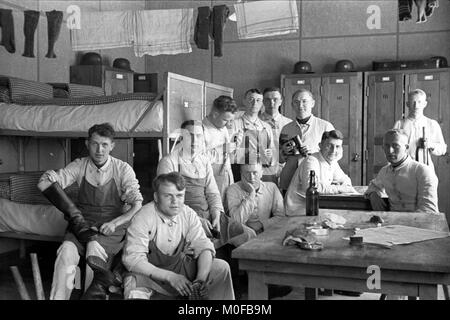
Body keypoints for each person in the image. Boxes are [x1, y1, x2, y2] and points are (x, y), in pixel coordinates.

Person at [37, 123, 143, 300]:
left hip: (109, 229)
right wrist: (49, 178)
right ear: (87, 144)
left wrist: (115, 223)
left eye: (104, 145)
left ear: (112, 146)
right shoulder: (79, 165)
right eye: (94, 144)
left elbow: (137, 203)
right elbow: (48, 182)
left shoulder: (122, 169)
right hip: (81, 226)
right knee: (66, 251)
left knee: (93, 257)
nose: (99, 150)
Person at [122, 172, 234, 300]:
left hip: (178, 271)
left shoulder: (188, 213)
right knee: (133, 289)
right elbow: (133, 260)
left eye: (179, 196)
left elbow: (204, 247)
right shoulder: (143, 217)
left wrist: (200, 280)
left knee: (220, 268)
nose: (175, 202)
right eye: (168, 196)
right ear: (156, 197)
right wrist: (170, 277)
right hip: (149, 275)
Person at [157, 120, 224, 240]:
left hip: (209, 217)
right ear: (182, 138)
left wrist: (216, 216)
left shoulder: (204, 161)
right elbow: (167, 202)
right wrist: (196, 220)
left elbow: (212, 193)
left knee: (246, 234)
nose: (195, 141)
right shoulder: (169, 162)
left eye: (198, 136)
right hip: (183, 219)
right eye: (189, 136)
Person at [365, 129, 439, 213]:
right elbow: (373, 186)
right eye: (386, 146)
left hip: (417, 223)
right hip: (392, 222)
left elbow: (428, 210)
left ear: (406, 148)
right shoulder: (384, 171)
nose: (390, 151)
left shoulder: (422, 171)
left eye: (395, 146)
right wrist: (373, 195)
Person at [285, 130, 356, 216]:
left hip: (316, 207)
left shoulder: (332, 161)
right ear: (320, 145)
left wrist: (343, 186)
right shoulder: (311, 160)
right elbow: (310, 188)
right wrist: (341, 188)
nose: (333, 151)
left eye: (337, 146)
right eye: (330, 146)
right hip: (299, 210)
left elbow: (345, 180)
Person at [279, 89, 334, 194]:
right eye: (296, 102)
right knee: (289, 209)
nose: (300, 105)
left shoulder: (325, 126)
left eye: (304, 101)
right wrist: (284, 152)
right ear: (292, 105)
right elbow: (280, 160)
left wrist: (314, 152)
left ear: (312, 103)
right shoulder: (286, 128)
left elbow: (333, 156)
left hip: (315, 179)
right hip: (290, 180)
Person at [225, 161, 285, 247]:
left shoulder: (272, 187)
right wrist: (251, 194)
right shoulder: (233, 189)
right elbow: (236, 221)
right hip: (242, 239)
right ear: (241, 173)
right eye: (247, 173)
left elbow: (282, 216)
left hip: (266, 234)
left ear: (261, 173)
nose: (251, 177)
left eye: (255, 173)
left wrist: (262, 224)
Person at [393, 89, 447, 170]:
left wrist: (430, 144)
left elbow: (443, 149)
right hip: (404, 169)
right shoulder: (399, 124)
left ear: (425, 104)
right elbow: (391, 148)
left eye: (419, 102)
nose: (416, 106)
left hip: (425, 169)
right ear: (407, 104)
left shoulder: (432, 124)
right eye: (413, 102)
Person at [230, 89, 275, 181]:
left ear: (262, 103)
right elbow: (228, 153)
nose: (255, 103)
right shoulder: (234, 124)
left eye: (258, 100)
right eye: (251, 99)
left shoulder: (266, 127)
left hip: (260, 172)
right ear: (244, 101)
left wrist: (270, 154)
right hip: (240, 172)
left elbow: (272, 153)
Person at [202, 95, 238, 201]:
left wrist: (234, 145)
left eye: (231, 120)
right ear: (215, 114)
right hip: (210, 181)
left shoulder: (222, 128)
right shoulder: (201, 131)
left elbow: (227, 155)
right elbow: (197, 160)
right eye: (226, 120)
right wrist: (221, 149)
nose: (229, 124)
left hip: (226, 178)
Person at [259, 87, 293, 184]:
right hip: (264, 172)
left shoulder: (289, 123)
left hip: (286, 170)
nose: (271, 103)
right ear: (263, 102)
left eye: (275, 99)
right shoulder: (256, 123)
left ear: (281, 101)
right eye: (267, 100)